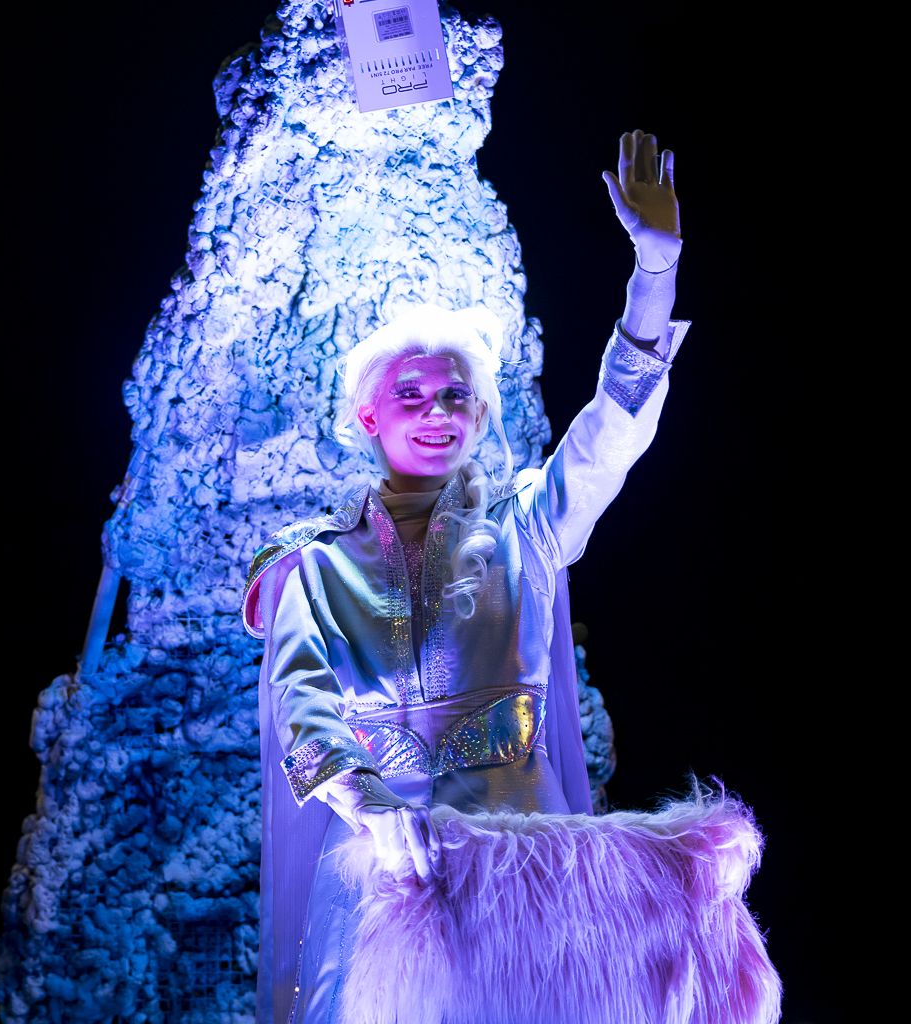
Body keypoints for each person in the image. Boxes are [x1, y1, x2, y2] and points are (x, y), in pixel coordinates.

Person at [242, 129, 690, 1024]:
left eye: (455, 396)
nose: (436, 412)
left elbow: (614, 432)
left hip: (527, 861)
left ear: (480, 416)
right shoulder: (314, 563)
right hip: (381, 874)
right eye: (411, 395)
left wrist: (655, 273)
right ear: (368, 416)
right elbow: (302, 705)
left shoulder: (528, 527)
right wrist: (368, 804)